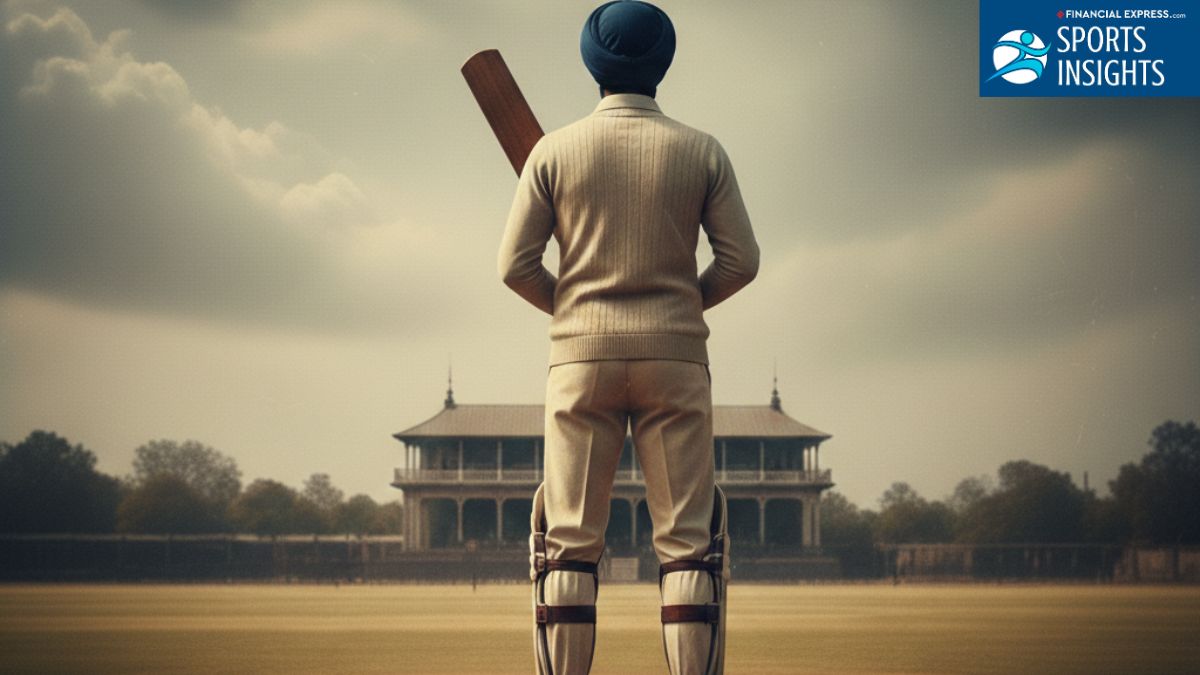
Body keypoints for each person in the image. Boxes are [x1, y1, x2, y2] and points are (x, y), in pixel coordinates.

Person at [497, 2, 758, 673]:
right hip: (676, 356)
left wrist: (576, 311)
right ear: (662, 65)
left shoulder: (552, 151)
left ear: (593, 66)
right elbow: (741, 260)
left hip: (580, 357)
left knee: (570, 543)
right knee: (686, 545)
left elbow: (514, 267)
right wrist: (679, 307)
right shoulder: (702, 148)